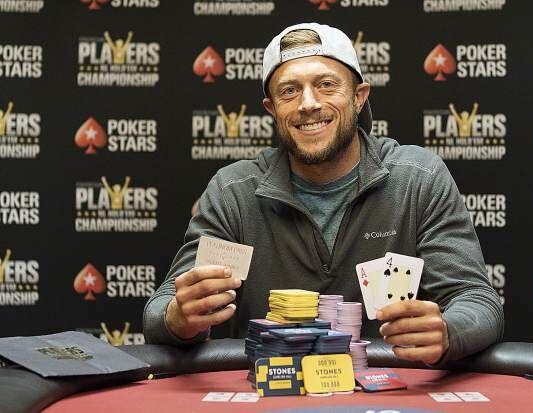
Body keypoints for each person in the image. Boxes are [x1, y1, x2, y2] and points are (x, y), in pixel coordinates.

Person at [144, 22, 503, 365]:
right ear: (272, 109)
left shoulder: (417, 179)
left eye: (327, 84)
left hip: (395, 393)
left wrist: (447, 332)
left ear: (359, 97)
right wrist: (180, 317)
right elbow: (161, 310)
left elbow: (477, 300)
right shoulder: (235, 193)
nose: (308, 104)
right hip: (275, 396)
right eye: (289, 91)